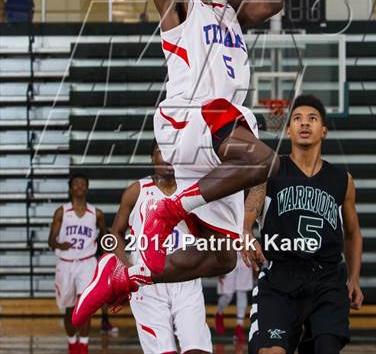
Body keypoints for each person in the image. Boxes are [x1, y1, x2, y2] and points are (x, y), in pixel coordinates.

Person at [72, 0, 284, 327]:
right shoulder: (177, 7)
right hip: (192, 115)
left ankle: (126, 274)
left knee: (222, 258)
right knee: (266, 160)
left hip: (223, 130)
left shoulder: (230, 11)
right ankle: (172, 209)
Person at [242, 94, 364, 354]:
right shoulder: (269, 171)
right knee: (270, 352)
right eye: (297, 119)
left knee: (326, 349)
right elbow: (247, 220)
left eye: (312, 119)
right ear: (288, 130)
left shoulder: (342, 180)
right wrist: (247, 235)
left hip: (327, 279)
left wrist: (353, 279)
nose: (304, 123)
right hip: (280, 276)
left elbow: (352, 234)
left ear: (324, 130)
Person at [110, 138, 212, 354]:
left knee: (197, 350)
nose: (167, 156)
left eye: (173, 151)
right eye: (161, 151)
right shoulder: (136, 191)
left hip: (186, 277)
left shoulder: (193, 191)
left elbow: (207, 234)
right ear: (152, 157)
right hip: (148, 283)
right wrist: (126, 268)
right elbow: (116, 233)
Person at [48, 173, 107, 354]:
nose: (80, 187)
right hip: (66, 264)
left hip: (86, 264)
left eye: (83, 184)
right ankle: (72, 342)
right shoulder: (62, 212)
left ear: (87, 188)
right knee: (69, 309)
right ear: (71, 188)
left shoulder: (96, 213)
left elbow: (106, 238)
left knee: (85, 307)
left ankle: (84, 345)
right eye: (76, 184)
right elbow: (51, 241)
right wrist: (59, 244)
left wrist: (107, 257)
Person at [215, 252, 253, 342]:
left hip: (244, 256)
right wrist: (218, 263)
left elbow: (251, 238)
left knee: (242, 292)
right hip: (228, 256)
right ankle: (219, 314)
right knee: (227, 295)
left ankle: (239, 327)